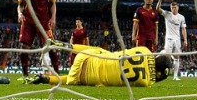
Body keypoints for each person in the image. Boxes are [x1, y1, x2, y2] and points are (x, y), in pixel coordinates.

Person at [27, 40, 173, 87]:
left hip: (85, 57)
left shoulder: (145, 49)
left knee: (98, 50)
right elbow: (153, 77)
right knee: (78, 79)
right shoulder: (146, 82)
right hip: (83, 78)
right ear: (160, 73)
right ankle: (47, 79)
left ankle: (62, 45)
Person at [17, 0, 59, 82]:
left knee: (51, 47)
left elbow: (53, 4)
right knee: (24, 47)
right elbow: (20, 5)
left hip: (43, 22)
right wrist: (19, 14)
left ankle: (57, 75)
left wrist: (53, 18)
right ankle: (25, 76)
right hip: (28, 21)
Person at [156, 0, 188, 81]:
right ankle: (160, 54)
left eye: (175, 7)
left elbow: (183, 29)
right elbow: (158, 9)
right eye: (172, 7)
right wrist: (160, 0)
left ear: (178, 7)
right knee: (167, 56)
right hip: (169, 39)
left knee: (177, 57)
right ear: (170, 8)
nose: (174, 8)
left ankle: (175, 76)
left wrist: (185, 40)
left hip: (177, 39)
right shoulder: (167, 14)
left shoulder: (181, 17)